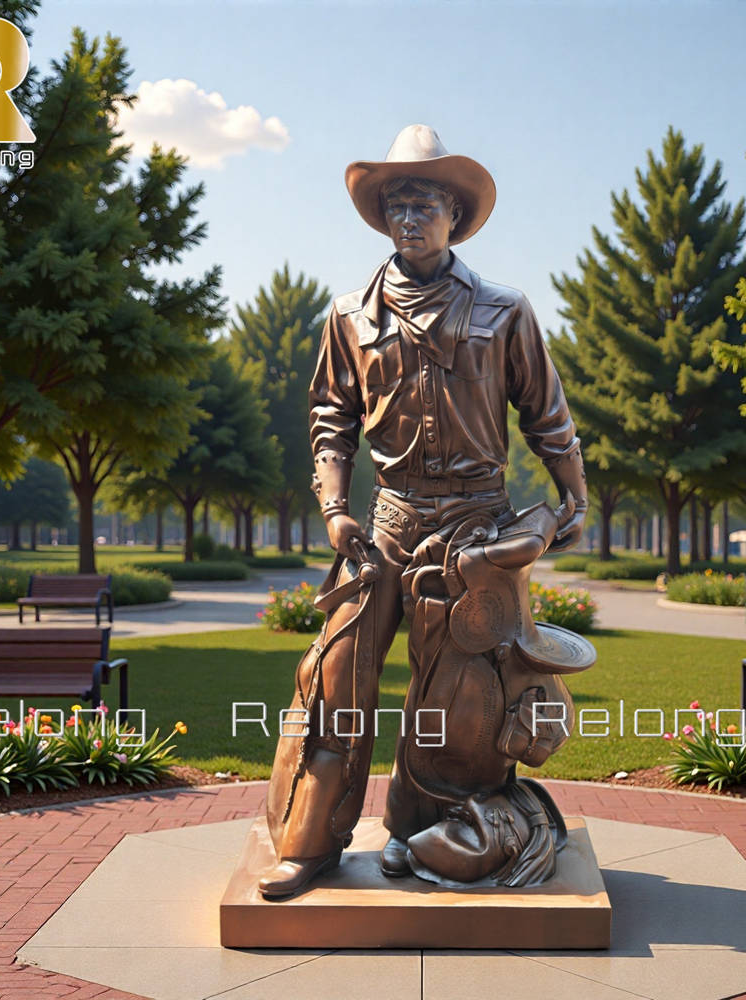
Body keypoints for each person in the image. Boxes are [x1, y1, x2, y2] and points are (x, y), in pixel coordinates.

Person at [259, 124, 587, 900]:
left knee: (461, 704)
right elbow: (330, 419)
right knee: (338, 679)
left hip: (476, 527)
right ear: (384, 219)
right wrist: (336, 508)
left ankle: (430, 838)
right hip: (387, 524)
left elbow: (548, 412)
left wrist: (571, 490)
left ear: (455, 218)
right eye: (399, 204)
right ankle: (309, 843)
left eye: (427, 203)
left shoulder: (505, 311)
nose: (411, 217)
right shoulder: (348, 316)